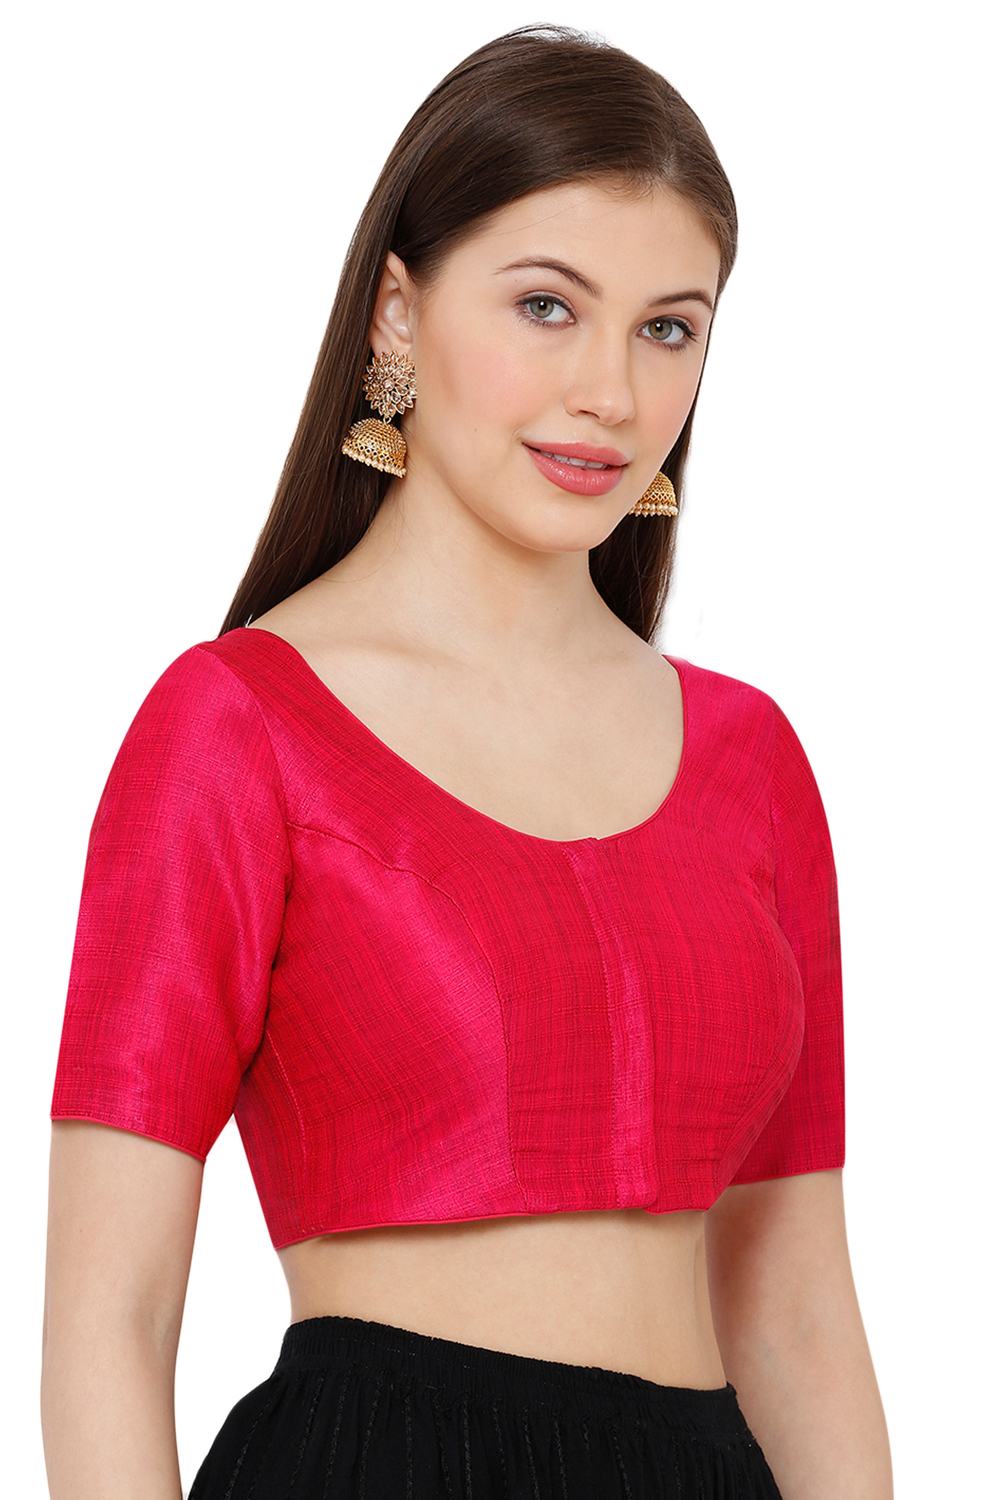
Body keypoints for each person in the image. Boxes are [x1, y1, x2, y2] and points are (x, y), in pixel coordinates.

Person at [41, 23, 892, 1500]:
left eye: (668, 329)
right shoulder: (237, 730)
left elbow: (799, 1306)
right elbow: (109, 1320)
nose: (610, 392)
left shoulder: (750, 759)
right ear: (395, 314)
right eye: (547, 306)